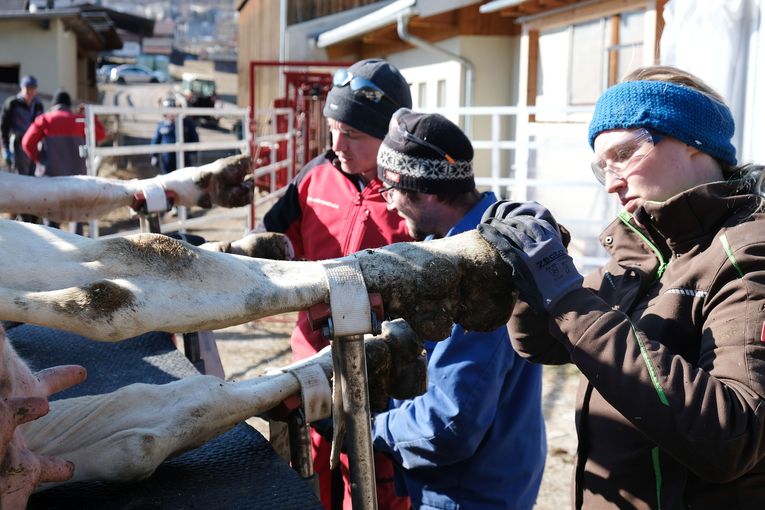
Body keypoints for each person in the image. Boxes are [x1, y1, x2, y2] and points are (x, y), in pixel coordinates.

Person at [478, 65, 765, 510]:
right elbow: (541, 345)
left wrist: (567, 297)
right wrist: (527, 280)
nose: (611, 182)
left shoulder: (747, 253)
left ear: (693, 141)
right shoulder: (644, 249)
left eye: (626, 152)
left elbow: (733, 436)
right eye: (601, 166)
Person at [372, 108, 546, 509]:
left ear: (425, 190)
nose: (389, 205)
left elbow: (449, 424)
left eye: (391, 190)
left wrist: (367, 428)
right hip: (495, 473)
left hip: (468, 492)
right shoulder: (474, 239)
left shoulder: (477, 271)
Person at [260, 58, 413, 510]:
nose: (337, 144)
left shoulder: (411, 192)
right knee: (312, 475)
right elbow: (271, 246)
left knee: (375, 482)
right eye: (332, 129)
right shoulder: (313, 178)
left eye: (353, 134)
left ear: (387, 136)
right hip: (312, 362)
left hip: (382, 371)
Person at [21, 89, 107, 232]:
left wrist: (39, 160)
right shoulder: (78, 119)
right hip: (77, 178)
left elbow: (26, 143)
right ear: (68, 105)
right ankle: (77, 245)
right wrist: (90, 116)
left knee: (51, 219)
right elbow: (101, 134)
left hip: (50, 176)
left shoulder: (45, 119)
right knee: (76, 216)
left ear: (54, 104)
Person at [1, 75, 44, 176]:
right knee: (20, 176)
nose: (30, 91)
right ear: (22, 88)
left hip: (34, 146)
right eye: (27, 88)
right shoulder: (12, 103)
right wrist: (5, 148)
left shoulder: (38, 105)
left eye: (33, 88)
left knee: (33, 177)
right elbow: (4, 127)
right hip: (18, 145)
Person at [150, 97, 199, 174]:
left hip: (184, 158)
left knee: (184, 179)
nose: (171, 114)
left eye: (173, 110)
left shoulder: (187, 123)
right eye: (169, 111)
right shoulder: (161, 125)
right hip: (167, 160)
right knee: (168, 181)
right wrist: (154, 155)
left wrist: (193, 151)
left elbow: (194, 138)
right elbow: (156, 140)